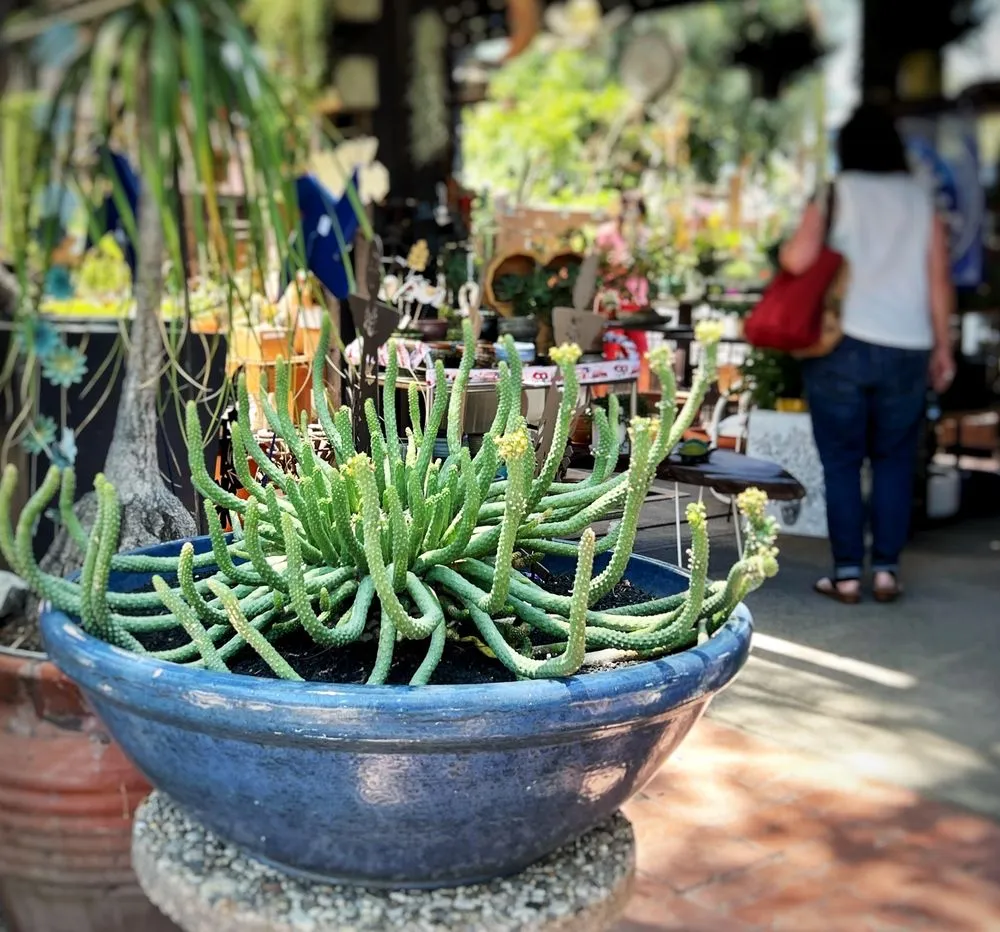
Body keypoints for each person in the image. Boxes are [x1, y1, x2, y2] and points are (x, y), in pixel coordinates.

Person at [779, 104, 955, 604]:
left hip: (842, 343)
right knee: (896, 459)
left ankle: (848, 574)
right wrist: (944, 347)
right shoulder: (921, 200)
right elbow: (938, 280)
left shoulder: (835, 192)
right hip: (909, 344)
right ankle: (886, 573)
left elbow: (797, 258)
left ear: (847, 147)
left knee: (841, 462)